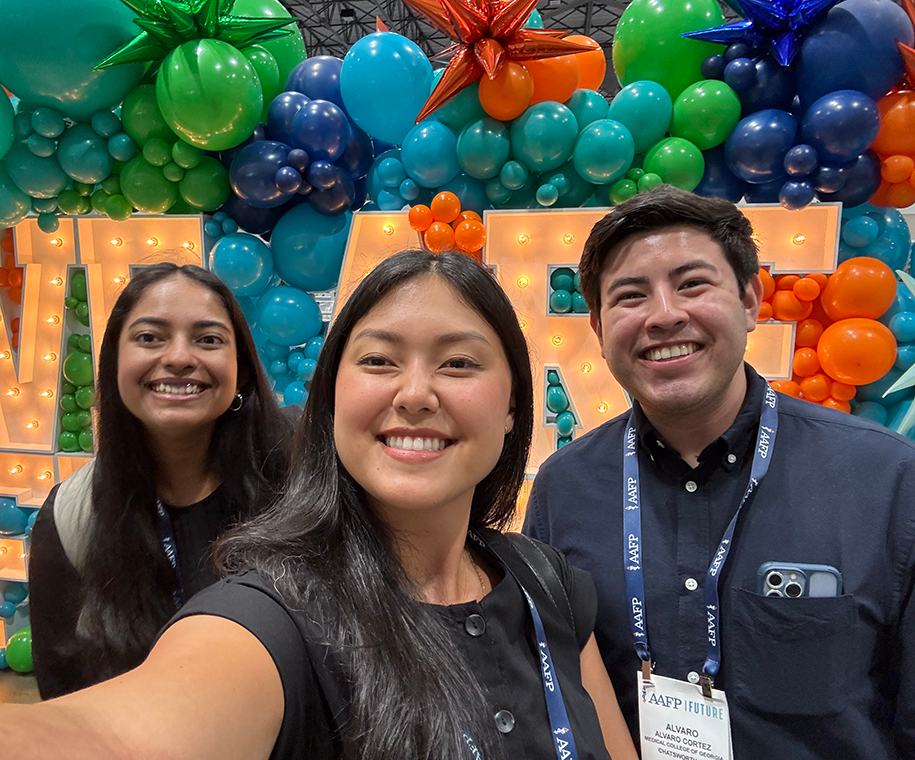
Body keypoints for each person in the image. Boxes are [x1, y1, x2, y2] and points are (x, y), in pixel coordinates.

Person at [6, 249, 638, 760]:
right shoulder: (278, 612)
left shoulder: (546, 583)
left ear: (511, 407)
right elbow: (112, 734)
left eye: (459, 361)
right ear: (333, 400)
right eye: (378, 360)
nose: (415, 393)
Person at [523, 185, 915, 759]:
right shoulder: (564, 488)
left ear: (751, 300)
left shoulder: (886, 479)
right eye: (630, 296)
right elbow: (554, 692)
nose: (665, 315)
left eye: (693, 284)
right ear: (600, 330)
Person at [28, 262, 293, 699]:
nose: (178, 358)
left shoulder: (300, 479)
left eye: (208, 339)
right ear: (114, 361)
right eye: (149, 338)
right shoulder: (73, 516)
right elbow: (65, 693)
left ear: (241, 369)